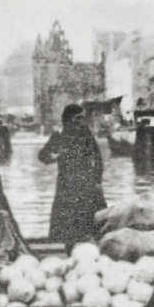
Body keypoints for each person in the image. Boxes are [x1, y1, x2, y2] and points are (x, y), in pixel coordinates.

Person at [38, 104, 107, 252]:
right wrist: (55, 157)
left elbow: (98, 158)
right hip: (67, 185)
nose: (80, 121)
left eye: (82, 118)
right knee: (67, 225)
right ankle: (70, 251)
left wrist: (98, 181)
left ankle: (97, 251)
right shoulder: (59, 135)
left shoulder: (85, 133)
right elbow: (42, 155)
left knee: (94, 221)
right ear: (68, 118)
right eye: (77, 118)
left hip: (87, 183)